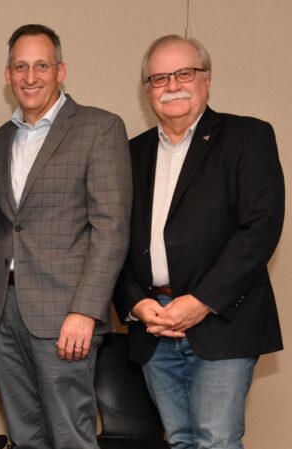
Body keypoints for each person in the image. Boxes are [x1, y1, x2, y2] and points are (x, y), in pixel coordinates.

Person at [0, 24, 132, 448]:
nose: (30, 76)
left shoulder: (100, 128)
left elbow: (111, 230)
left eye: (41, 65)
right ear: (7, 74)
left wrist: (86, 311)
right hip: (2, 313)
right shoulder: (0, 140)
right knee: (23, 434)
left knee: (70, 434)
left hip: (64, 314)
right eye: (20, 66)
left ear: (61, 70)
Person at [114, 34, 284, 449]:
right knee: (179, 439)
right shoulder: (128, 153)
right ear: (147, 90)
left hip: (222, 319)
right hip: (152, 322)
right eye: (158, 78)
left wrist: (201, 301)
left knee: (216, 441)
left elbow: (259, 229)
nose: (171, 85)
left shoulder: (248, 137)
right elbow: (111, 236)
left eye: (184, 73)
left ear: (206, 79)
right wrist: (134, 302)